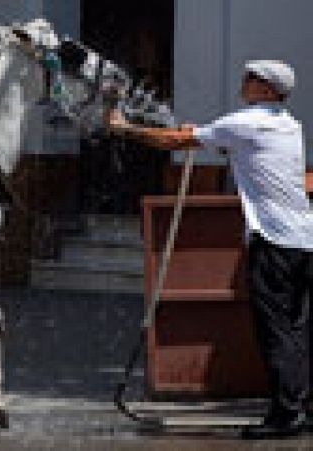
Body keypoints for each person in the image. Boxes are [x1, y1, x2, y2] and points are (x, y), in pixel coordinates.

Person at [107, 60, 311, 439]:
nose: (245, 81)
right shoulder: (289, 124)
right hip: (302, 239)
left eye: (253, 79)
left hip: (273, 241)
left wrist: (125, 129)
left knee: (276, 332)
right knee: (296, 330)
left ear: (267, 90)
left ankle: (286, 416)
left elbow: (174, 141)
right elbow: (240, 150)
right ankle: (298, 405)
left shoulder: (246, 122)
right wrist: (204, 138)